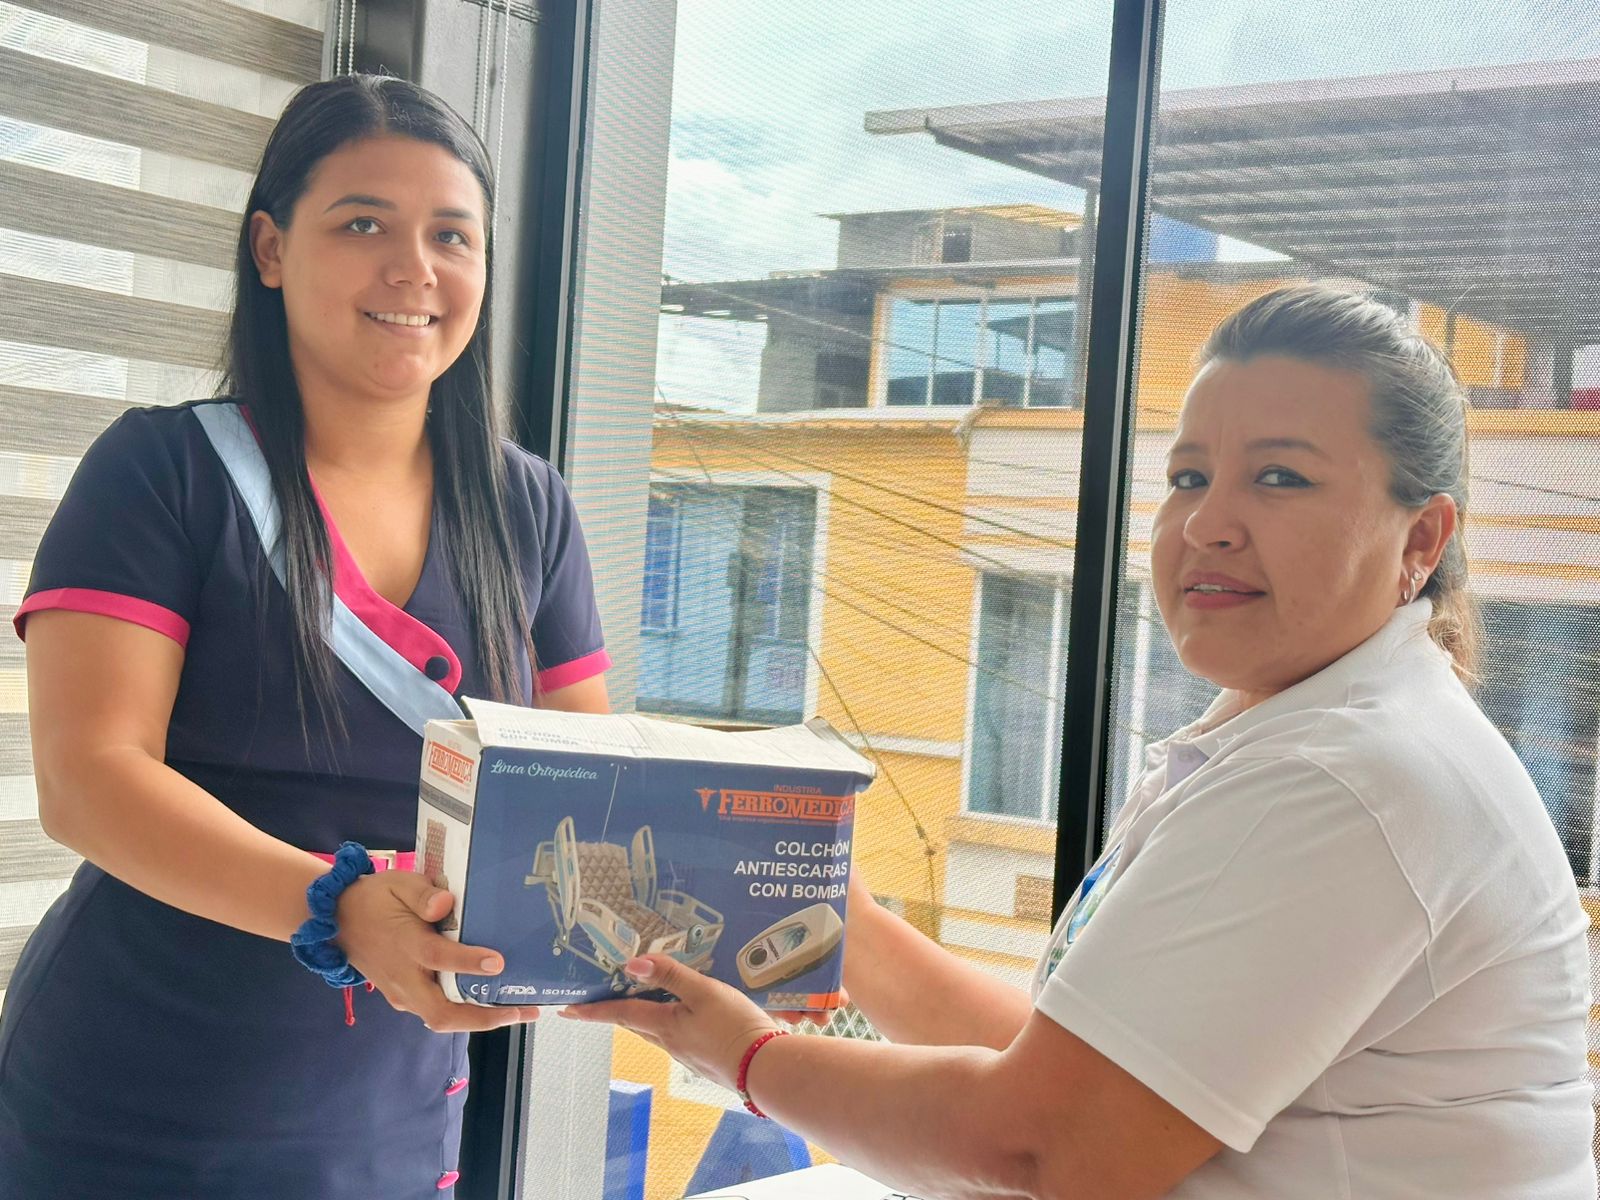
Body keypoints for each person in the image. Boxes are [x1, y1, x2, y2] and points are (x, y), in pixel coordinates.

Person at [568, 285, 1597, 1199]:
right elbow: (1065, 1062)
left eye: (1280, 478)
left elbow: (1046, 1145)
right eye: (1188, 477)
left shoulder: (1346, 780)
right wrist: (847, 921)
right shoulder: (1292, 732)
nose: (1206, 525)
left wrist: (747, 1060)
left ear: (1421, 538)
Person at [0, 76, 611, 1198]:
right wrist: (340, 910)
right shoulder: (161, 472)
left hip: (390, 1123)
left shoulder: (528, 509)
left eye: (451, 235)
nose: (414, 269)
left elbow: (585, 789)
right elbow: (89, 780)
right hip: (125, 1112)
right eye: (364, 224)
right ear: (271, 249)